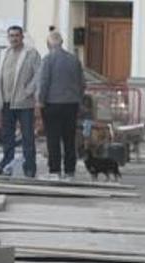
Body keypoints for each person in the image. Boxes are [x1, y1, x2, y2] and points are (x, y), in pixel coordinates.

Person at [0, 26, 41, 178]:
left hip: (24, 103)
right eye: (11, 36)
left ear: (22, 37)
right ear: (8, 37)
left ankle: (30, 168)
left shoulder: (31, 53)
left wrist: (28, 91)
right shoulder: (4, 53)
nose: (14, 38)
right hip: (6, 102)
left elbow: (39, 74)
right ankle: (6, 164)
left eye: (17, 36)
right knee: (7, 136)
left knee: (27, 137)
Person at [39, 30, 85, 180]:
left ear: (48, 44)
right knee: (69, 139)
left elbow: (44, 82)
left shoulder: (48, 60)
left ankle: (55, 171)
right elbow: (82, 83)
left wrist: (41, 100)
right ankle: (70, 171)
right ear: (62, 43)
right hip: (71, 104)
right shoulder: (74, 60)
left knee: (53, 139)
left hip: (52, 104)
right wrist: (78, 97)